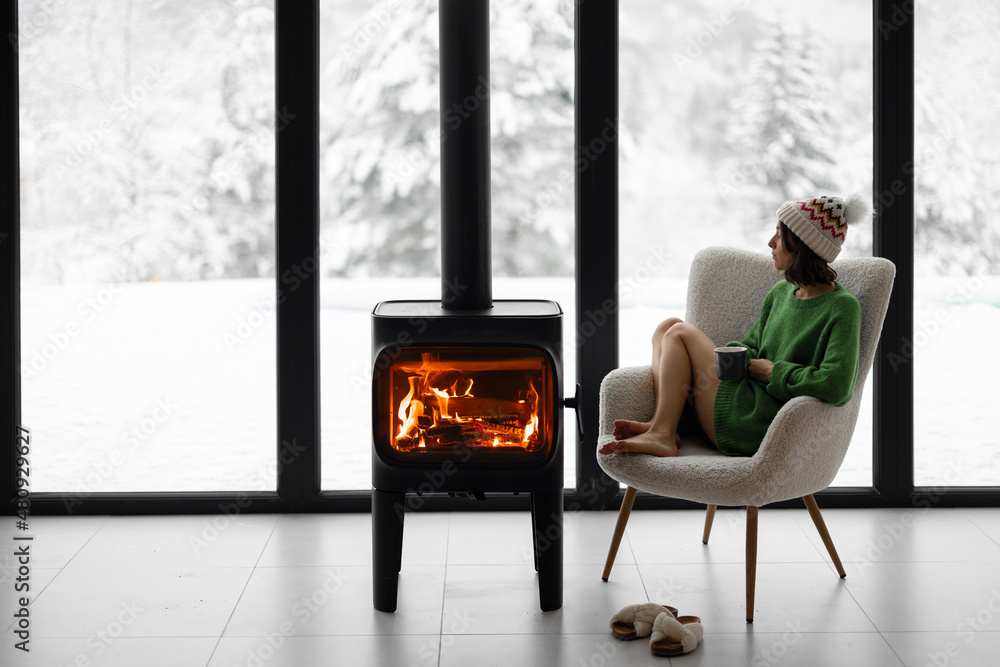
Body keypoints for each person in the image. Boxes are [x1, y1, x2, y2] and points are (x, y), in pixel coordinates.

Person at [599, 193, 869, 458]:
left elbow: (837, 386)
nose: (770, 243)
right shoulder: (781, 293)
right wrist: (736, 355)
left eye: (779, 235)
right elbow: (751, 345)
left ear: (801, 244)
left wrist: (775, 373)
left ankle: (662, 434)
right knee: (667, 326)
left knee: (680, 332)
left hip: (755, 423)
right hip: (743, 397)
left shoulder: (842, 307)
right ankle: (664, 425)